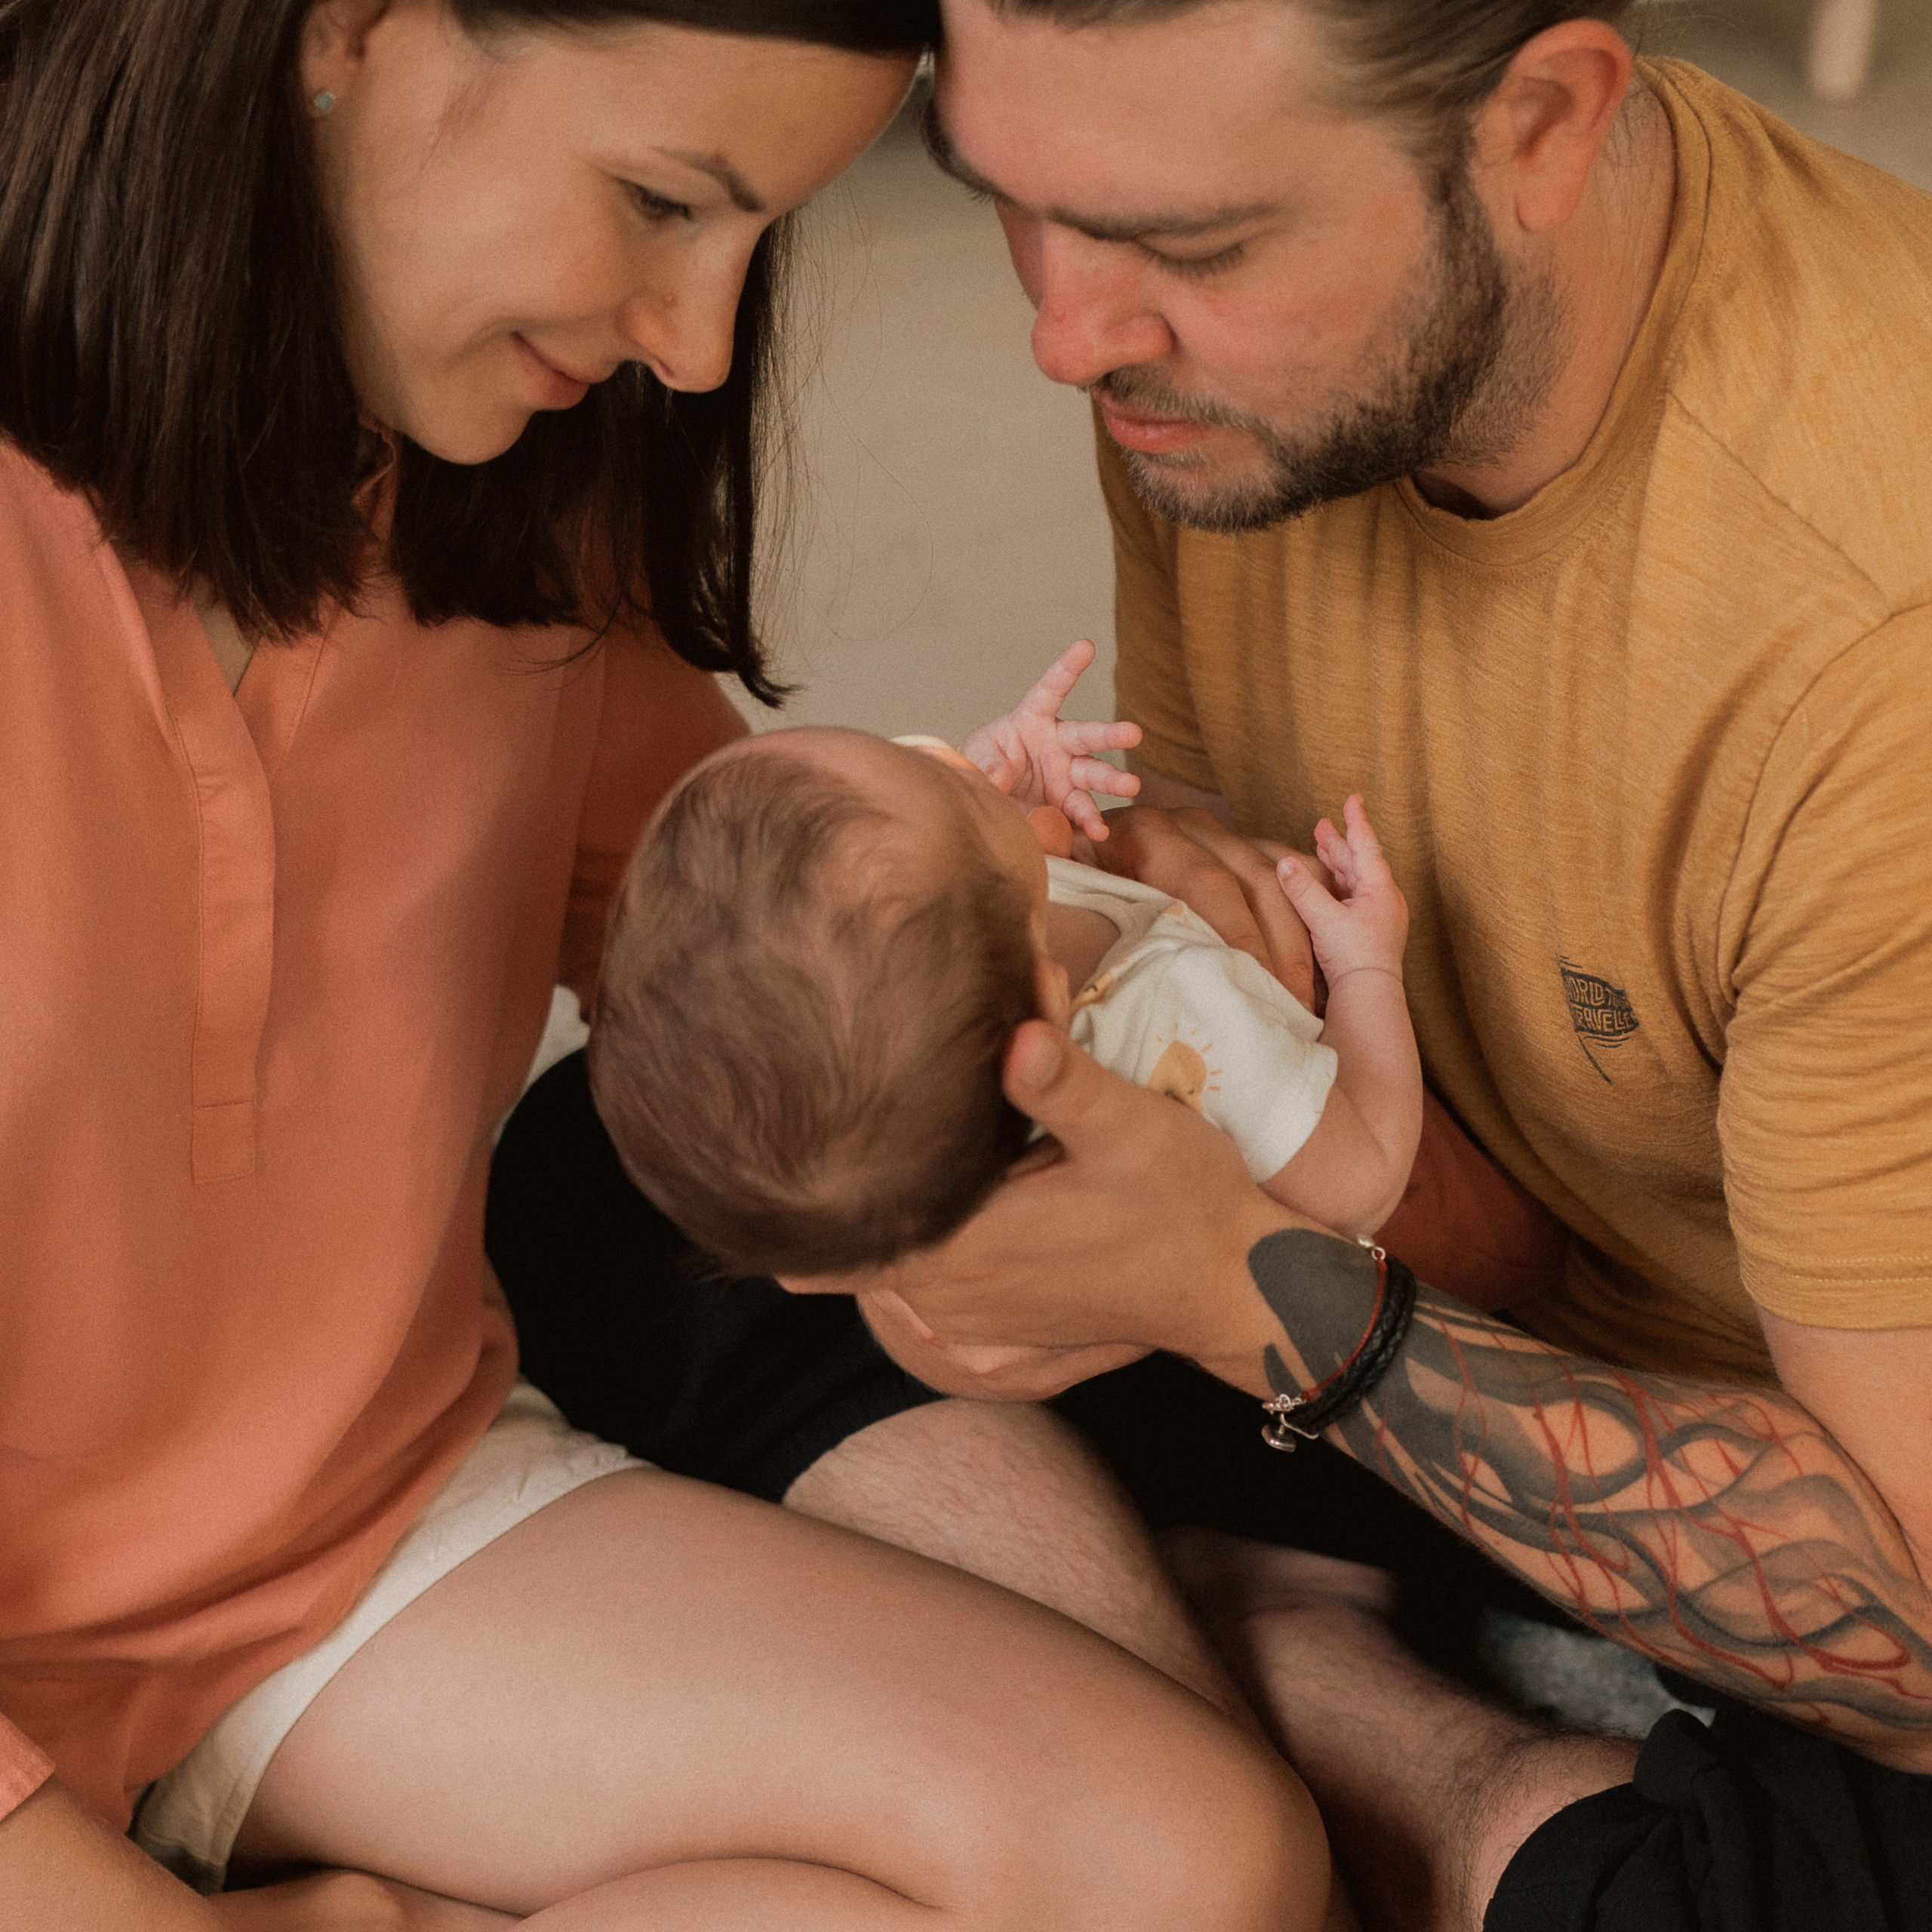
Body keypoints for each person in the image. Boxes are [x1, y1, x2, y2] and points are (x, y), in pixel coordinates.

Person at [488, 0, 1932, 1927]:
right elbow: (1283, 960)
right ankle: (1226, 1753)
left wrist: (1234, 1286)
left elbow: (1903, 1625)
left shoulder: (1873, 639)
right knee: (651, 1157)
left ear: (1540, 123)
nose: (1063, 333)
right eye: (1009, 201)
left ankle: (1326, 1730)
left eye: (1186, 242)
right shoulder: (1219, 384)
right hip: (1408, 1264)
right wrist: (1122, 894)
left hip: (1791, 1462)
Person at [0, 2, 1338, 1927]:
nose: (699, 341)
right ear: (351, 25)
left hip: (351, 1543)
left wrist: (1082, 934)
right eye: (657, 200)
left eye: (756, 235)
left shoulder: (501, 496)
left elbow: (768, 968)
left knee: (1187, 1870)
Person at [588, 662, 1420, 1278]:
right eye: (943, 777)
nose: (950, 753)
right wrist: (1365, 970)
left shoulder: (959, 961)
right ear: (1050, 1008)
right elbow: (1362, 1183)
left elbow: (982, 885)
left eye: (910, 754)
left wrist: (1015, 806)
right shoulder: (1182, 1025)